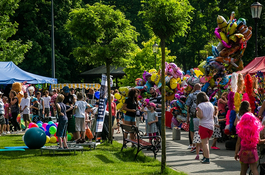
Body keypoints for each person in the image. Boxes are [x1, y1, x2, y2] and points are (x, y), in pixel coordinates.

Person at [196, 91, 214, 164]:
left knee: (205, 143)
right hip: (211, 126)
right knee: (206, 142)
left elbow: (200, 116)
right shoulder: (211, 104)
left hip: (203, 125)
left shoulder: (200, 105)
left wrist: (196, 113)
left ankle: (207, 158)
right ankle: (205, 156)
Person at [186, 83, 201, 151]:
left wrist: (187, 118)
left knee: (192, 130)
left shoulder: (191, 95)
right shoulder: (204, 95)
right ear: (200, 88)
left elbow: (188, 107)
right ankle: (200, 146)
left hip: (193, 115)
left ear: (194, 88)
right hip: (201, 116)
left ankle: (194, 145)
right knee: (200, 129)